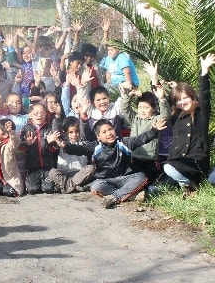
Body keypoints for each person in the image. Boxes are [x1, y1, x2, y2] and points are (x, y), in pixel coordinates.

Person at [56, 118, 167, 208]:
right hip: (106, 181)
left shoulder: (124, 143)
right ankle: (131, 195)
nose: (109, 133)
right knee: (95, 186)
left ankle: (114, 198)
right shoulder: (95, 146)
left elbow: (140, 139)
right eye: (104, 132)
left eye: (110, 129)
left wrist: (154, 131)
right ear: (98, 137)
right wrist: (66, 146)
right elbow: (79, 149)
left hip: (125, 179)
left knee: (141, 177)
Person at [162, 54, 215, 197]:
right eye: (179, 100)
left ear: (192, 97)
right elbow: (164, 105)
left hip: (196, 163)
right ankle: (184, 183)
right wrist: (155, 80)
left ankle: (190, 186)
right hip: (178, 162)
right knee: (156, 188)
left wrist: (204, 71)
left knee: (168, 167)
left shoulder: (201, 113)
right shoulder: (177, 117)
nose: (182, 102)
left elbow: (205, 95)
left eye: (185, 98)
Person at [20, 102, 60, 194]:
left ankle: (48, 180)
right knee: (32, 190)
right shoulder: (25, 129)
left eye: (42, 113)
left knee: (48, 189)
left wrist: (50, 143)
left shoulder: (49, 128)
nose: (39, 115)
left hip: (47, 166)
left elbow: (55, 149)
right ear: (30, 115)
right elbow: (21, 148)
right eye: (36, 113)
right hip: (32, 167)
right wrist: (27, 144)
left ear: (46, 114)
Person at [47, 117, 95, 193]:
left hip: (79, 174)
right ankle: (75, 186)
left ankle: (66, 187)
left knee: (91, 168)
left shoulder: (84, 144)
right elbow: (50, 149)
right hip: (64, 174)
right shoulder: (60, 143)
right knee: (52, 172)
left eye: (77, 131)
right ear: (65, 132)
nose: (74, 135)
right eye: (71, 132)